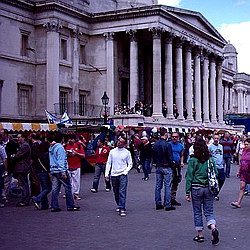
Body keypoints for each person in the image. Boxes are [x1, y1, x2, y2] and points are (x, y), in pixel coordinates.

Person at [185, 138, 219, 245]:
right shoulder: (210, 159)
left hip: (196, 188)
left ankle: (200, 235)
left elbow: (189, 177)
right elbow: (216, 173)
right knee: (209, 210)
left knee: (197, 211)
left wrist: (187, 192)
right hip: (208, 188)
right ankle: (213, 227)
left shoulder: (193, 160)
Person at [48, 133, 80, 212]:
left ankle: (54, 206)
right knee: (68, 187)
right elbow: (61, 160)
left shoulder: (51, 147)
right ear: (62, 139)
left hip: (53, 169)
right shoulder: (60, 147)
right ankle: (70, 205)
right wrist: (63, 171)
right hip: (60, 170)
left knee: (55, 189)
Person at [105, 136, 133, 217]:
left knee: (122, 191)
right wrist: (107, 173)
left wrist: (125, 172)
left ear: (124, 144)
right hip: (114, 174)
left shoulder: (127, 152)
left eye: (121, 142)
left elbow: (130, 163)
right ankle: (119, 204)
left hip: (122, 174)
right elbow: (109, 163)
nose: (119, 143)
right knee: (116, 191)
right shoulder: (112, 151)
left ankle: (122, 208)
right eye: (118, 141)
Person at [152, 128, 175, 211]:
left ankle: (158, 203)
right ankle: (167, 204)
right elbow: (170, 157)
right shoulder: (168, 144)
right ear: (165, 134)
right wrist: (172, 165)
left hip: (158, 166)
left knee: (158, 186)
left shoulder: (155, 144)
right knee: (167, 186)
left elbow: (153, 156)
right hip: (166, 166)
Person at [31, 138, 52, 210]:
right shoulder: (46, 154)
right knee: (48, 188)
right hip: (44, 172)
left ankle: (45, 205)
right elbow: (48, 164)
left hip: (38, 172)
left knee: (44, 187)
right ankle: (37, 198)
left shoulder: (38, 154)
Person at [65, 134, 85, 200]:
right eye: (69, 139)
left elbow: (83, 155)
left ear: (74, 140)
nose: (70, 140)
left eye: (72, 139)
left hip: (77, 166)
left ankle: (76, 194)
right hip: (68, 166)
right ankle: (69, 193)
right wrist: (67, 154)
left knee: (76, 181)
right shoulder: (66, 146)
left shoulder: (79, 146)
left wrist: (76, 153)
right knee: (69, 181)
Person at [231, 138, 250, 208]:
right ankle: (238, 202)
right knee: (242, 187)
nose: (245, 146)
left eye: (247, 144)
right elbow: (241, 161)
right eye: (245, 144)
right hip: (244, 172)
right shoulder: (244, 151)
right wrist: (239, 170)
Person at [208, 134, 225, 200]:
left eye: (217, 138)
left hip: (220, 166)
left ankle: (216, 191)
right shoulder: (210, 147)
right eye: (215, 138)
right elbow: (208, 156)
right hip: (214, 166)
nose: (216, 140)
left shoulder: (221, 146)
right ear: (213, 139)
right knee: (214, 180)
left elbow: (221, 155)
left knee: (222, 179)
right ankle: (213, 193)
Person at [170, 132, 184, 206]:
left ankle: (173, 197)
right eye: (173, 137)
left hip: (178, 165)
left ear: (178, 138)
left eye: (175, 137)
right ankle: (168, 198)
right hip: (171, 165)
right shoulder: (169, 145)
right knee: (170, 181)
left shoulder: (180, 146)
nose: (174, 138)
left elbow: (182, 155)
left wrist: (181, 162)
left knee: (176, 180)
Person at [0, 134, 8, 207]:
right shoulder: (1, 148)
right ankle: (1, 201)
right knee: (0, 183)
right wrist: (6, 168)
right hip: (0, 166)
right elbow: (4, 158)